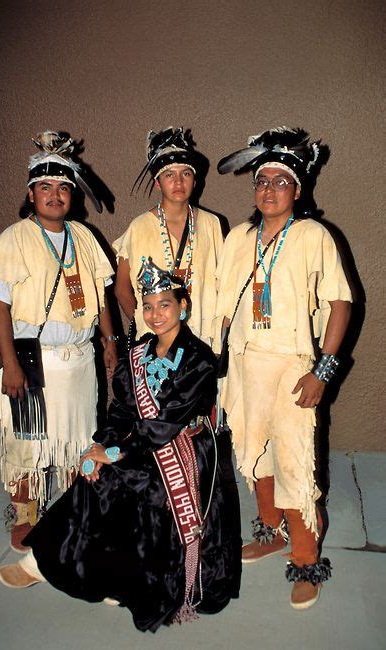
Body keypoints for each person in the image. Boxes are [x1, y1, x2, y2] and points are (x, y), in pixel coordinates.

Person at [0, 258, 241, 633]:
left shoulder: (199, 360)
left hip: (184, 450)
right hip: (144, 443)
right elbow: (123, 409)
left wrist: (112, 454)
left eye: (165, 304)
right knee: (92, 473)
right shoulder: (140, 352)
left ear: (183, 306)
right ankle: (51, 563)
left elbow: (163, 426)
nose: (155, 314)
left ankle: (88, 571)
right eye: (148, 306)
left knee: (116, 477)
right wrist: (103, 444)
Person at [215, 127, 352, 609]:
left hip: (294, 365)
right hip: (245, 364)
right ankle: (270, 531)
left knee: (294, 463)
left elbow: (340, 303)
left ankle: (307, 557)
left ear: (298, 189)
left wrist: (323, 372)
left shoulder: (314, 235)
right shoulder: (239, 237)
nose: (269, 189)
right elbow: (222, 305)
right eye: (261, 180)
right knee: (255, 456)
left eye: (280, 180)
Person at [0, 131, 118, 552]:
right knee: (29, 436)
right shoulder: (14, 238)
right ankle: (25, 510)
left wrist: (110, 340)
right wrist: (11, 364)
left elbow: (101, 294)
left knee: (79, 435)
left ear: (72, 195)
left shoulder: (84, 237)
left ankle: (74, 506)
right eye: (45, 187)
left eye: (62, 187)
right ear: (31, 192)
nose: (54, 195)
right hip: (32, 356)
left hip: (79, 358)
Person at [114, 126, 223, 346]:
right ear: (157, 182)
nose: (179, 182)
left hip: (200, 340)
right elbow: (122, 288)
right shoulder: (140, 226)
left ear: (195, 180)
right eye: (169, 175)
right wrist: (147, 322)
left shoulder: (211, 224)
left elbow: (223, 283)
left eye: (186, 174)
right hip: (156, 342)